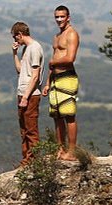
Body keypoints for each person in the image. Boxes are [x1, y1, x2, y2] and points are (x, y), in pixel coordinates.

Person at [41, 5, 80, 161]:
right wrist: (47, 83)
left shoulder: (72, 34)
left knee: (68, 115)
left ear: (68, 17)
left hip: (67, 77)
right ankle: (60, 149)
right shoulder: (56, 36)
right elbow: (53, 61)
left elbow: (70, 58)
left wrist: (53, 62)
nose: (59, 20)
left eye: (62, 17)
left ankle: (71, 151)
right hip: (55, 79)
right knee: (56, 116)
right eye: (56, 17)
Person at [11, 22, 44, 167]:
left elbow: (35, 76)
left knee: (31, 129)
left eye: (15, 37)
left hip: (30, 95)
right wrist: (15, 54)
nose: (15, 40)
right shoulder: (26, 49)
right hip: (23, 93)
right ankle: (26, 159)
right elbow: (20, 70)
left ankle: (33, 160)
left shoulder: (35, 48)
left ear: (20, 34)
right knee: (24, 130)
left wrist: (25, 97)